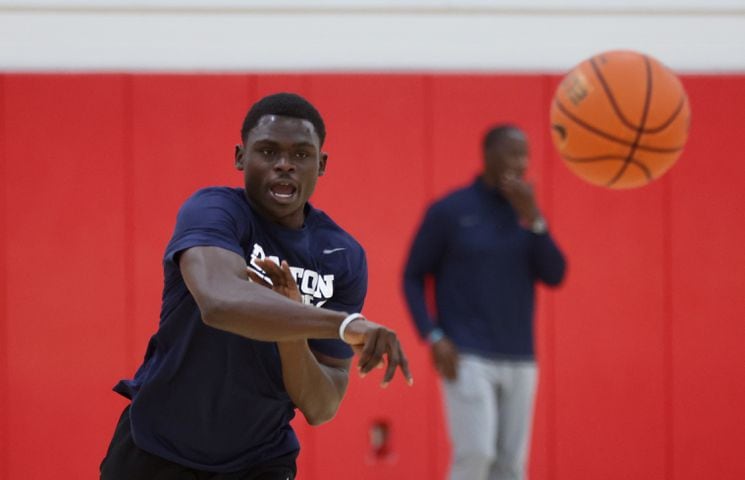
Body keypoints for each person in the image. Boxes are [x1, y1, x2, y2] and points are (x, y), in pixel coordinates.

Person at [100, 92, 413, 480]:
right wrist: (343, 324)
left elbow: (321, 406)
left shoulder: (341, 255)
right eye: (268, 151)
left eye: (301, 155)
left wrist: (292, 333)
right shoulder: (215, 211)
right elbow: (219, 303)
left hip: (259, 459)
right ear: (239, 157)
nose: (284, 165)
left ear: (322, 164)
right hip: (157, 446)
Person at [402, 124, 566, 480]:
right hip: (467, 353)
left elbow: (555, 275)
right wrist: (432, 335)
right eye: (512, 153)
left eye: (525, 155)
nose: (521, 163)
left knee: (510, 466)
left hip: (521, 356)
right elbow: (412, 276)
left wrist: (535, 218)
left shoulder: (526, 215)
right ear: (488, 155)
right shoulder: (450, 211)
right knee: (476, 454)